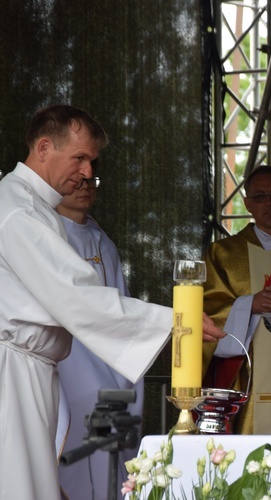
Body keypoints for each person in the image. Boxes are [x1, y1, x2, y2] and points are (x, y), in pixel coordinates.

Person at [0, 104, 223, 499]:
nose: (88, 172)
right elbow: (76, 296)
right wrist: (173, 320)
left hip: (32, 370)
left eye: (92, 161)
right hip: (14, 375)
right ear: (45, 147)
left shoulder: (33, 205)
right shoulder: (16, 210)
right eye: (80, 158)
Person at [202, 165, 271, 434]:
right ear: (247, 204)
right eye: (260, 196)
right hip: (248, 380)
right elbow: (207, 316)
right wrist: (250, 305)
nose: (270, 202)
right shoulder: (224, 254)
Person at [53, 174, 143, 499]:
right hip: (66, 358)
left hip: (108, 364)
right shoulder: (46, 232)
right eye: (77, 179)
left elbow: (122, 302)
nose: (86, 186)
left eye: (93, 180)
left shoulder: (102, 240)